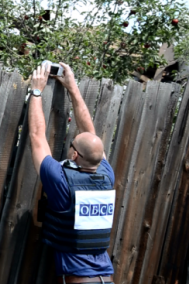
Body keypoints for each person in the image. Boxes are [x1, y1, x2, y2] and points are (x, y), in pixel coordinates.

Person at [28, 62, 115, 284]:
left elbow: (38, 136)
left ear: (74, 155)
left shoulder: (61, 181)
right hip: (106, 278)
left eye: (72, 143)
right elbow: (89, 134)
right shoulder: (106, 175)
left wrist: (36, 91)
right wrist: (72, 87)